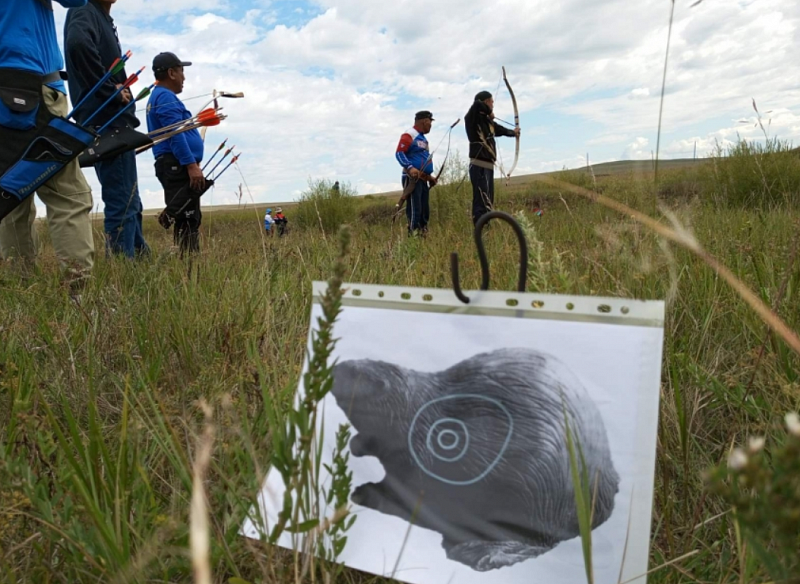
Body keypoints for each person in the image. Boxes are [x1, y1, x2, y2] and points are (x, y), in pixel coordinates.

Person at [0, 0, 94, 290]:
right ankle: (79, 293)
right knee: (69, 195)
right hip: (34, 84)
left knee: (12, 190)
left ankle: (20, 291)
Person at [64, 0, 149, 259]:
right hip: (106, 122)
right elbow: (78, 44)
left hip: (114, 121)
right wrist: (107, 90)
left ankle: (140, 262)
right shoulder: (84, 9)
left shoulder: (100, 16)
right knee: (122, 201)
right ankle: (123, 270)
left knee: (130, 200)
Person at [146, 52, 205, 256]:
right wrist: (190, 165)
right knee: (187, 216)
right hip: (175, 164)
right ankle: (189, 263)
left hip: (175, 163)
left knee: (188, 215)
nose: (184, 77)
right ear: (171, 73)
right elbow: (175, 133)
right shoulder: (164, 96)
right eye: (181, 71)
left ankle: (188, 261)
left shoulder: (161, 96)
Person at [464, 91, 520, 225]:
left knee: (488, 199)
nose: (493, 104)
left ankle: (486, 227)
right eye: (491, 101)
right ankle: (480, 228)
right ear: (485, 102)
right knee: (481, 199)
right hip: (478, 165)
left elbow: (499, 130)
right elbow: (477, 104)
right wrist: (488, 111)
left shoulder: (487, 121)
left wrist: (513, 133)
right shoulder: (472, 117)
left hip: (488, 165)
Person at [395, 111, 437, 236]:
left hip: (423, 179)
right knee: (415, 209)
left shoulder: (424, 139)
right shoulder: (409, 134)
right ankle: (413, 234)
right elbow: (399, 153)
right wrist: (410, 167)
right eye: (430, 122)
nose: (430, 125)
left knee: (425, 209)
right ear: (425, 121)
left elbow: (423, 161)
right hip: (412, 178)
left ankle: (423, 232)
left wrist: (430, 177)